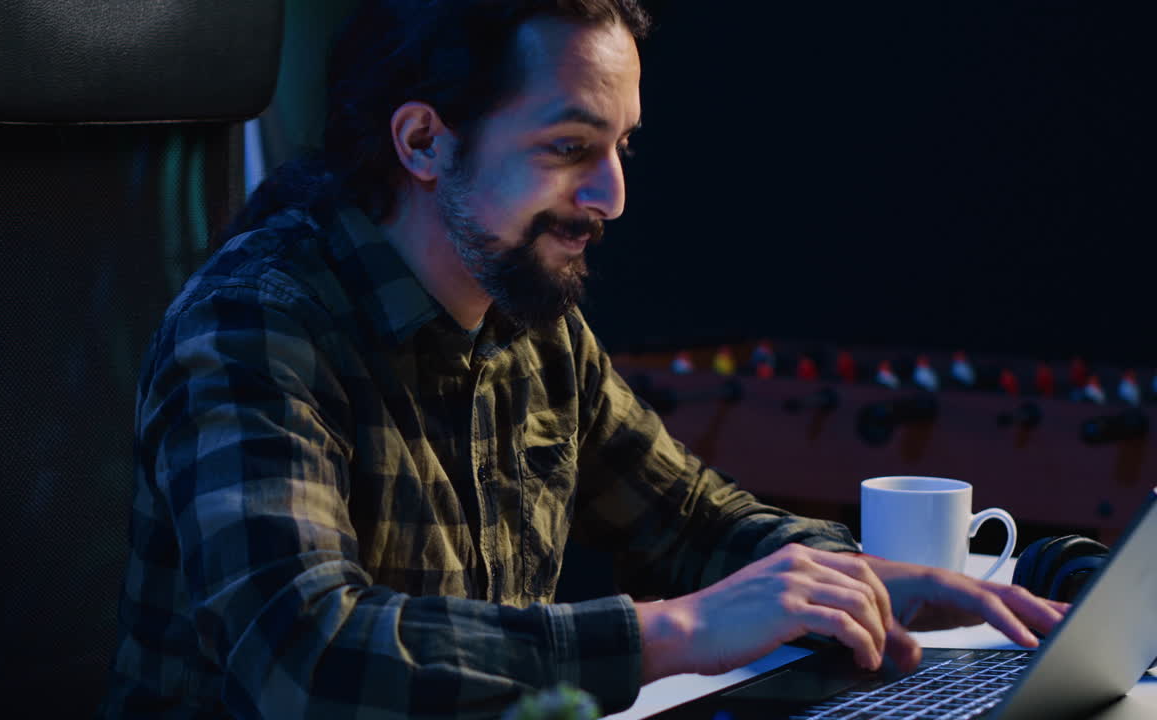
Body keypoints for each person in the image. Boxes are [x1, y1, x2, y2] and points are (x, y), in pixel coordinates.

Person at [100, 1, 1069, 717]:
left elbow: (692, 520)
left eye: (618, 149)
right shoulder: (252, 327)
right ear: (424, 140)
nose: (609, 195)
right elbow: (303, 654)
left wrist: (857, 578)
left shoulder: (529, 320)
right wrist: (673, 631)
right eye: (570, 148)